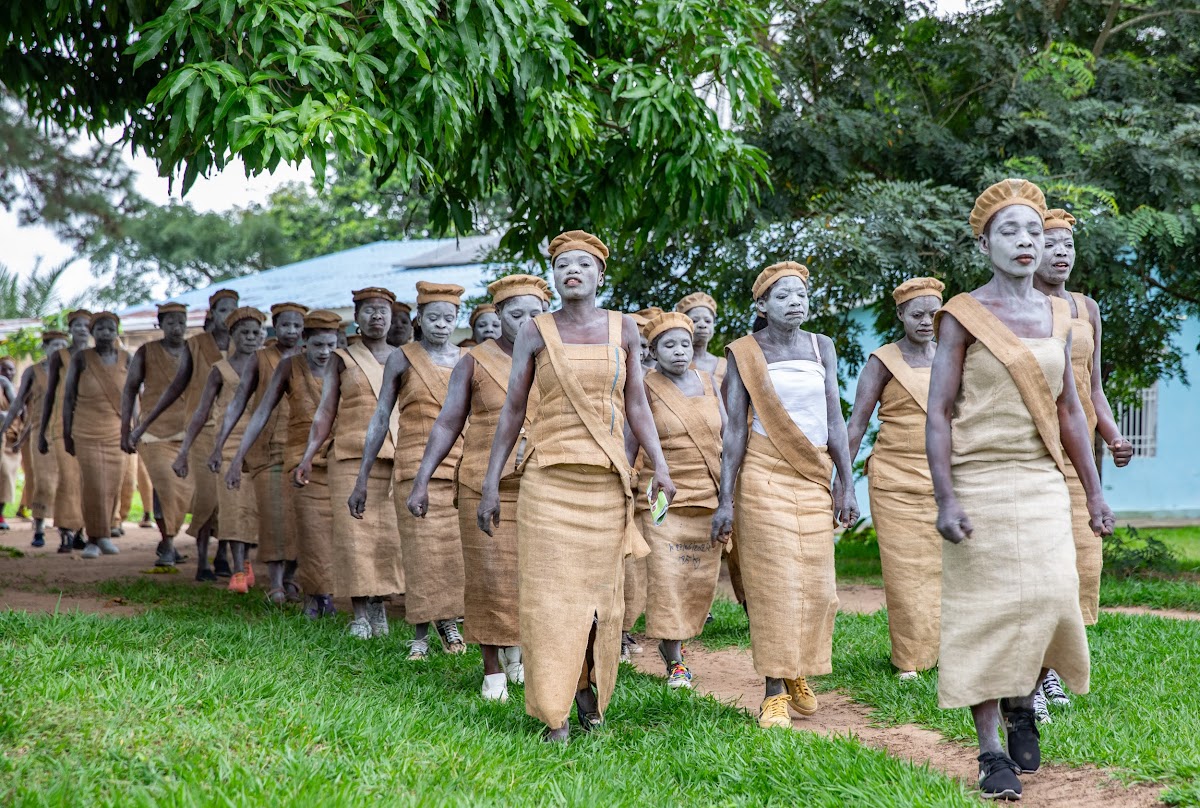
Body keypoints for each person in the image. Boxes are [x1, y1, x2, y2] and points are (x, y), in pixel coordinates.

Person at [926, 179, 1114, 800]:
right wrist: (946, 496)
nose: (1026, 242)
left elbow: (1069, 411)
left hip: (1039, 480)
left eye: (1034, 231)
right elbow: (939, 412)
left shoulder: (1061, 314)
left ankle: (1022, 702)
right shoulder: (962, 315)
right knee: (985, 613)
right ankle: (989, 752)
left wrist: (1092, 494)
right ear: (984, 243)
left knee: (1049, 597)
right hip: (978, 479)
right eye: (1010, 231)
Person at [477, 230, 675, 742]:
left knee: (600, 603)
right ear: (554, 276)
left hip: (606, 485)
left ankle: (588, 693)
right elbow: (512, 411)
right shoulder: (535, 331)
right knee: (547, 601)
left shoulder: (624, 328)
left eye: (584, 264)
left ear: (599, 275)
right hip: (547, 484)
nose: (573, 271)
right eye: (564, 264)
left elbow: (637, 407)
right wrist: (492, 483)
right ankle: (554, 714)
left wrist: (660, 466)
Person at [712, 261, 857, 730]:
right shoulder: (744, 353)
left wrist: (846, 483)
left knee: (817, 584)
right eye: (782, 296)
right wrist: (726, 498)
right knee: (773, 582)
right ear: (761, 305)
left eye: (801, 294)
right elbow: (734, 428)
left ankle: (797, 671)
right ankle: (773, 691)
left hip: (814, 473)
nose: (795, 302)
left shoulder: (822, 346)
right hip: (762, 475)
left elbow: (835, 420)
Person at [404, 274, 550, 699]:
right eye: (515, 313)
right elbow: (448, 422)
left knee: (530, 575)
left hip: (541, 480)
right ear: (497, 315)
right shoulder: (474, 360)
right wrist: (422, 480)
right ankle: (493, 672)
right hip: (481, 483)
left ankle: (519, 657)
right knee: (488, 577)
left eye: (535, 313)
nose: (526, 321)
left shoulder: (554, 357)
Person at [1033, 209, 1133, 710]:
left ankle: (1051, 669)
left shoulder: (1087, 307)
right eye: (1051, 242)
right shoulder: (1018, 308)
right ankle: (1033, 675)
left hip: (1080, 455)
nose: (1062, 252)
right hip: (1032, 448)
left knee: (1078, 562)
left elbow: (1093, 388)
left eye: (1068, 243)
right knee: (1040, 563)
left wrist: (1113, 437)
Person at [351, 280, 467, 659]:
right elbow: (381, 416)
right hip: (414, 468)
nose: (440, 325)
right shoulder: (403, 358)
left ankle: (450, 626)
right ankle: (419, 635)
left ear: (457, 320)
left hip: (461, 468)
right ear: (419, 319)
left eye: (448, 319)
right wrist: (363, 478)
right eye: (433, 318)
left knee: (455, 555)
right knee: (420, 554)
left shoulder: (467, 361)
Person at [844, 278, 945, 681]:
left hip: (944, 477)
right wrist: (843, 483)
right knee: (905, 572)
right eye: (916, 314)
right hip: (894, 480)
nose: (925, 322)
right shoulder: (882, 360)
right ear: (900, 315)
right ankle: (909, 660)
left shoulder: (953, 355)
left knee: (945, 569)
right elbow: (855, 426)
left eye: (933, 314)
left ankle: (945, 652)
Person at [627, 311, 726, 689]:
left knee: (695, 582)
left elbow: (729, 436)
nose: (680, 351)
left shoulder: (707, 381)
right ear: (653, 351)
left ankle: (678, 647)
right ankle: (676, 661)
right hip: (662, 502)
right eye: (669, 345)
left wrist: (729, 494)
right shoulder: (644, 387)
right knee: (668, 581)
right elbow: (632, 442)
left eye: (685, 343)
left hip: (708, 497)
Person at [295, 288, 400, 639]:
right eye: (369, 310)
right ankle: (357, 614)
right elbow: (326, 412)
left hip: (393, 456)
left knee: (388, 539)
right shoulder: (343, 358)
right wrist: (309, 456)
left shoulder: (404, 357)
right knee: (353, 536)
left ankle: (378, 606)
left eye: (383, 310)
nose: (377, 317)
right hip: (348, 456)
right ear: (357, 317)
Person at [228, 310, 342, 618]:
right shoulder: (288, 366)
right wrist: (237, 456)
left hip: (338, 457)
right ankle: (311, 594)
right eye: (317, 345)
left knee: (334, 530)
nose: (324, 352)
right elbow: (262, 412)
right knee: (307, 529)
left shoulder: (345, 367)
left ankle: (328, 596)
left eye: (331, 345)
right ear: (305, 342)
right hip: (299, 459)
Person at [134, 289, 239, 579]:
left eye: (233, 309)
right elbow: (174, 388)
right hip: (201, 431)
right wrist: (141, 425)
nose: (228, 315)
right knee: (205, 495)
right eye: (222, 310)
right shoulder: (195, 346)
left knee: (228, 498)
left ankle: (223, 556)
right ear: (211, 315)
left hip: (236, 432)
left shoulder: (244, 345)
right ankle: (201, 560)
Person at [209, 302, 307, 604]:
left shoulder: (313, 358)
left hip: (305, 450)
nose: (291, 331)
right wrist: (222, 446)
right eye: (285, 325)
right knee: (275, 518)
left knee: (302, 519)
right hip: (267, 450)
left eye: (297, 326)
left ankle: (292, 577)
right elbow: (238, 403)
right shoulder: (261, 359)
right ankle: (275, 583)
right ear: (274, 328)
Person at [174, 307, 265, 593]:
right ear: (232, 335)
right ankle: (237, 570)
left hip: (261, 442)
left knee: (256, 508)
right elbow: (202, 411)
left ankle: (248, 564)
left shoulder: (268, 365)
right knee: (233, 508)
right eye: (244, 333)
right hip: (228, 444)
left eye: (255, 333)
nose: (250, 338)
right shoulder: (220, 369)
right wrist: (184, 449)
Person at [121, 303, 196, 568]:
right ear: (160, 325)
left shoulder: (194, 349)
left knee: (189, 490)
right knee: (164, 486)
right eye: (171, 322)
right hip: (153, 433)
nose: (177, 328)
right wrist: (125, 430)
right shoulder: (146, 351)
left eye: (182, 322)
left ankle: (171, 541)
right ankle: (168, 543)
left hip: (190, 431)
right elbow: (130, 389)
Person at [61, 312, 130, 559]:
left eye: (110, 328)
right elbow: (68, 397)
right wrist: (66, 432)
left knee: (112, 485)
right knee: (93, 485)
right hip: (85, 430)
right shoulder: (81, 358)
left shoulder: (126, 358)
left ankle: (105, 535)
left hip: (116, 431)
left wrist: (133, 428)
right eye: (99, 328)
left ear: (117, 331)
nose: (105, 333)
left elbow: (134, 396)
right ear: (92, 332)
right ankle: (92, 538)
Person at [1, 330, 69, 547]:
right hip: (41, 434)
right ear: (45, 347)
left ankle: (67, 531)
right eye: (54, 345)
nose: (59, 349)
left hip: (69, 434)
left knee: (69, 484)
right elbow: (18, 403)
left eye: (62, 345)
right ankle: (39, 528)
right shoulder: (33, 371)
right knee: (43, 483)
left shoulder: (74, 369)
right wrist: (4, 428)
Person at [38, 309, 91, 553]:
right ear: (71, 329)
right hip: (62, 426)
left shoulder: (96, 356)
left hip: (92, 428)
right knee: (68, 478)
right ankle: (65, 532)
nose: (82, 328)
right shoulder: (61, 356)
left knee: (86, 480)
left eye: (86, 325)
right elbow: (50, 395)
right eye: (77, 325)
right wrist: (41, 431)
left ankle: (81, 530)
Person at [675, 292, 727, 389]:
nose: (702, 325)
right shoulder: (674, 362)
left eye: (707, 321)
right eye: (695, 320)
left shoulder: (724, 365)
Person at [0, 358, 22, 531]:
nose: (8, 373)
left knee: (7, 478)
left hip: (12, 439)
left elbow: (21, 411)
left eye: (11, 369)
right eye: (4, 369)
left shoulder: (12, 388)